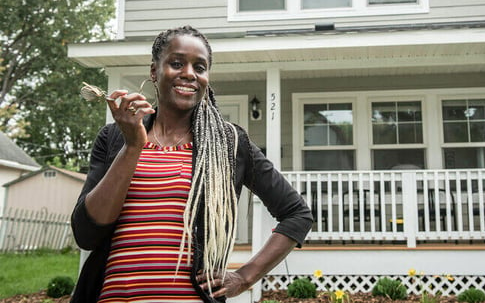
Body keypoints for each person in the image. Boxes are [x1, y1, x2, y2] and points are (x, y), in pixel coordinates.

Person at [70, 25, 313, 303]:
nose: (189, 73)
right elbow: (86, 234)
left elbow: (297, 214)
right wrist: (133, 146)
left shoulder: (229, 143)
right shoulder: (115, 138)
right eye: (176, 63)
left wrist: (245, 277)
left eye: (200, 67)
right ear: (154, 71)